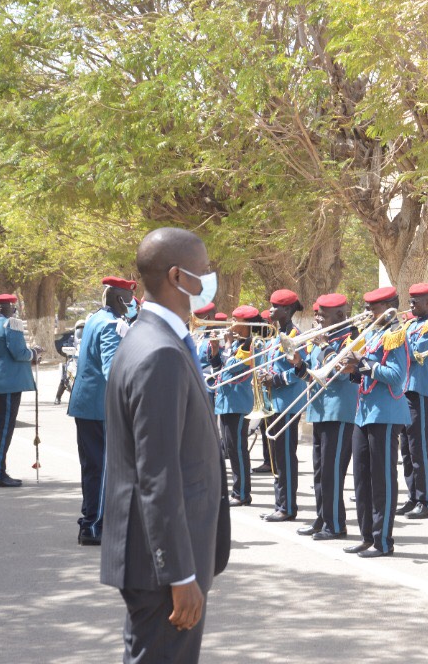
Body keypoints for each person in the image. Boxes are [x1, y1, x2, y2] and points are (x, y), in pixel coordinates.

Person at [101, 227, 228, 664]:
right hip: (162, 566)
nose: (210, 277)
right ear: (177, 276)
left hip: (155, 556)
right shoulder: (160, 352)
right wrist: (179, 573)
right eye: (205, 270)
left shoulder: (152, 338)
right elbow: (157, 474)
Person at [341, 286, 410, 558]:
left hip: (386, 412)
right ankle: (367, 535)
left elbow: (397, 375)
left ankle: (383, 540)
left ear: (390, 307)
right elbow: (365, 374)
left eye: (374, 308)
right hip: (364, 411)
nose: (369, 312)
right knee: (361, 478)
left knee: (382, 478)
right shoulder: (373, 335)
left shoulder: (396, 335)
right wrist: (352, 369)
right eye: (368, 307)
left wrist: (364, 364)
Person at [67, 276, 135, 546]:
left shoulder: (95, 318)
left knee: (94, 467)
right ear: (120, 299)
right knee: (103, 469)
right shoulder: (111, 325)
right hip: (101, 408)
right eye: (130, 299)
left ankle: (92, 520)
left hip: (88, 404)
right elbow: (113, 369)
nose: (132, 305)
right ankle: (94, 525)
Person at [297, 293, 357, 540]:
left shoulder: (350, 338)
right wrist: (298, 365)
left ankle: (335, 524)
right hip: (320, 409)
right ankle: (322, 517)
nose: (318, 317)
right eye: (318, 313)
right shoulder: (322, 340)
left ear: (340, 315)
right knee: (320, 470)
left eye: (323, 314)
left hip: (340, 411)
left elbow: (342, 374)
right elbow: (313, 375)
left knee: (333, 471)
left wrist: (324, 346)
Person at [0, 293, 42, 488]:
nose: (14, 312)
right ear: (9, 308)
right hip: (8, 383)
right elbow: (19, 353)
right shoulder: (12, 324)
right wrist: (34, 352)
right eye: (13, 308)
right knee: (4, 431)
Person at [258, 289, 308, 523]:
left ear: (287, 310)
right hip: (274, 402)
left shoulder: (294, 335)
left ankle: (287, 506)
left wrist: (274, 380)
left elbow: (297, 372)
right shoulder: (277, 333)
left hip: (287, 402)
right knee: (276, 456)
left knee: (285, 456)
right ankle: (280, 503)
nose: (270, 310)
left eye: (275, 306)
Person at [398, 282, 428, 519]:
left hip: (420, 390)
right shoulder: (409, 324)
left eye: (416, 301)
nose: (412, 304)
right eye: (411, 300)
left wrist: (394, 345)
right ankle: (412, 496)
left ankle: (425, 500)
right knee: (406, 448)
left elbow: (417, 353)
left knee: (419, 448)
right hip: (404, 388)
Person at [208, 305, 261, 506]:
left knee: (238, 449)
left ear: (245, 324)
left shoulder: (248, 345)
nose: (230, 324)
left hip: (238, 403)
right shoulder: (238, 345)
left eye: (234, 320)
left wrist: (227, 346)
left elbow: (232, 368)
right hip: (226, 401)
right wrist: (215, 350)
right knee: (230, 447)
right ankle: (237, 490)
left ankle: (242, 493)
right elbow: (219, 371)